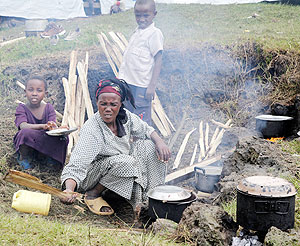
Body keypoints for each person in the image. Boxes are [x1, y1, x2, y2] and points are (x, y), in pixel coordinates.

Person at [60, 78, 171, 216]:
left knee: (149, 146)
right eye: (103, 104)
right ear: (97, 104)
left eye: (113, 104)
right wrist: (69, 190)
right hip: (91, 176)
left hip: (119, 168)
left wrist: (159, 142)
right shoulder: (92, 129)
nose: (108, 109)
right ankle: (93, 194)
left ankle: (151, 199)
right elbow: (76, 166)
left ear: (120, 105)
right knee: (127, 162)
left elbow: (146, 130)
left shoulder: (125, 118)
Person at [118, 0, 163, 125]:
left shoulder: (154, 34)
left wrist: (152, 86)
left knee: (141, 118)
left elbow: (158, 59)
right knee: (128, 114)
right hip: (128, 83)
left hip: (142, 86)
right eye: (138, 15)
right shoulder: (137, 32)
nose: (141, 19)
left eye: (146, 15)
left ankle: (142, 143)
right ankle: (129, 141)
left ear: (154, 14)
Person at [14, 76, 68, 170]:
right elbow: (23, 126)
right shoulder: (22, 108)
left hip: (43, 138)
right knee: (24, 133)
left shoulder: (48, 108)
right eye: (31, 90)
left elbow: (52, 126)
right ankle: (24, 157)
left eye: (39, 90)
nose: (34, 93)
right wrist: (43, 126)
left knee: (63, 137)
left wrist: (58, 129)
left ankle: (49, 158)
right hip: (29, 141)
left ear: (45, 93)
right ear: (25, 92)